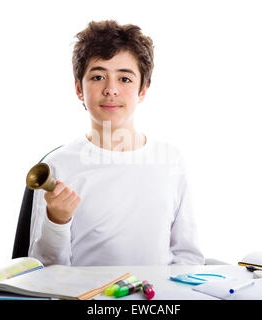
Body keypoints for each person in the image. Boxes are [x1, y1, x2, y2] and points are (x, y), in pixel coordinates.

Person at [28, 20, 204, 266]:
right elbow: (43, 270)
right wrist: (57, 220)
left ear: (143, 90)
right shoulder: (57, 166)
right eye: (98, 76)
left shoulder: (170, 159)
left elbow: (188, 256)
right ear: (79, 88)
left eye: (125, 79)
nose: (110, 90)